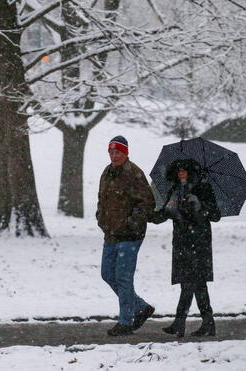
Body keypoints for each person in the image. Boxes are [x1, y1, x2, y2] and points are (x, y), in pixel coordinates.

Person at [149, 158, 221, 337]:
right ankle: (208, 322)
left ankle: (180, 322)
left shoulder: (203, 189)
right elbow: (164, 214)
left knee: (190, 282)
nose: (181, 173)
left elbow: (215, 215)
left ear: (192, 172)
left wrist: (199, 205)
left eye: (185, 170)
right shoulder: (175, 191)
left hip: (199, 242)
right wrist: (150, 215)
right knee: (195, 284)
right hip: (181, 242)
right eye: (179, 170)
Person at [96, 135, 156, 336]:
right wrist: (100, 218)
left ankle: (125, 321)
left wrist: (132, 222)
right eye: (111, 152)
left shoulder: (134, 173)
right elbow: (101, 199)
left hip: (130, 235)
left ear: (125, 153)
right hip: (111, 233)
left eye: (118, 152)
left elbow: (147, 202)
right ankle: (141, 307)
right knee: (107, 273)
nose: (114, 155)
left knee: (123, 276)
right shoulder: (106, 172)